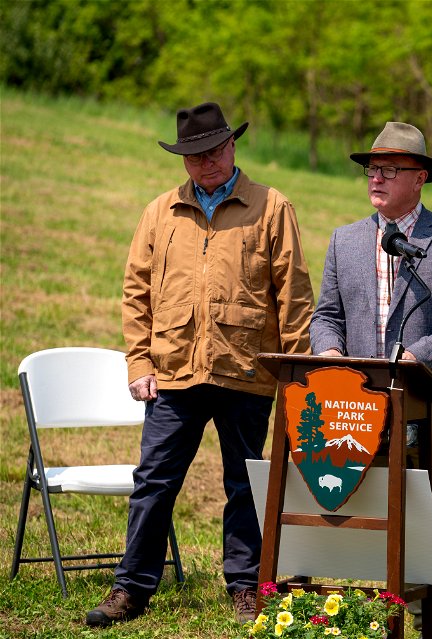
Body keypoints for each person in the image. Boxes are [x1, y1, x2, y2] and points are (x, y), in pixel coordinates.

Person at [85, 102, 314, 627]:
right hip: (173, 372)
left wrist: (295, 373)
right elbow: (135, 293)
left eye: (213, 151)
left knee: (244, 484)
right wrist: (139, 362)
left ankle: (246, 587)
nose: (205, 163)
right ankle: (131, 589)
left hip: (248, 372)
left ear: (233, 146)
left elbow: (294, 296)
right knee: (154, 482)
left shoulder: (271, 206)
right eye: (193, 156)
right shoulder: (159, 212)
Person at [309, 121, 432, 639]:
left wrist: (421, 353)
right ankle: (422, 619)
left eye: (390, 170)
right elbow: (326, 313)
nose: (377, 178)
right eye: (373, 169)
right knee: (393, 523)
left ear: (420, 179)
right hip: (361, 410)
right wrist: (327, 351)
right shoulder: (344, 240)